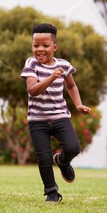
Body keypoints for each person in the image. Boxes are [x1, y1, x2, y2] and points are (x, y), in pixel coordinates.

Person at [21, 23, 91, 203]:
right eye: (36, 45)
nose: (40, 49)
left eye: (45, 45)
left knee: (73, 148)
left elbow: (71, 85)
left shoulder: (64, 65)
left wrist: (78, 104)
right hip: (37, 119)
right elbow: (32, 90)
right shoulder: (31, 63)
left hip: (60, 116)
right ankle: (51, 193)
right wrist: (51, 77)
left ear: (54, 47)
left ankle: (62, 161)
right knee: (43, 157)